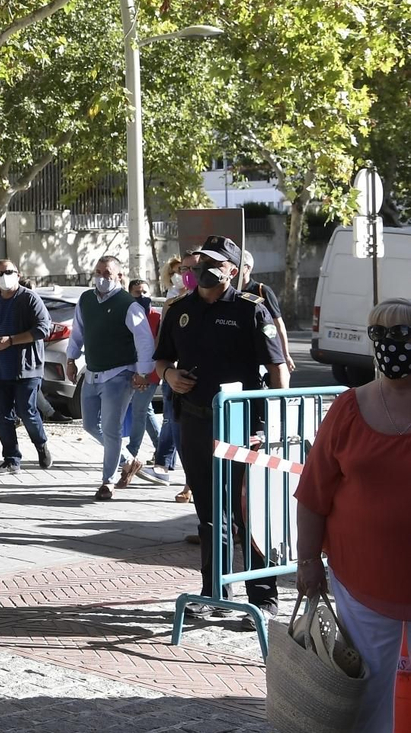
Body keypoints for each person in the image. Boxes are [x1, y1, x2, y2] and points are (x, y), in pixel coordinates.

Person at [153, 236, 289, 624]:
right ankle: (214, 591)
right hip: (196, 421)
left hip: (243, 425)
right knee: (210, 511)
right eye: (201, 262)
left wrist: (276, 421)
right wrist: (169, 375)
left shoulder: (251, 309)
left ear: (232, 270)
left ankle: (263, 597)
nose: (203, 269)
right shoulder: (180, 308)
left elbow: (277, 367)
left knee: (249, 511)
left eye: (214, 263)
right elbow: (161, 358)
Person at [295, 298, 411, 733]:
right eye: (379, 334)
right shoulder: (347, 409)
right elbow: (313, 493)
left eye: (401, 334)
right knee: (367, 690)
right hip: (362, 579)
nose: (389, 344)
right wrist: (308, 561)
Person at [66, 255, 156, 500]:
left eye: (107, 273)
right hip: (92, 372)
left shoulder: (128, 304)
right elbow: (78, 331)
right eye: (98, 272)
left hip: (119, 374)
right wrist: (71, 358)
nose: (101, 277)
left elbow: (144, 340)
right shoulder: (86, 299)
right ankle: (128, 459)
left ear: (119, 276)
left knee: (111, 429)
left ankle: (108, 481)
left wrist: (142, 372)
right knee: (89, 425)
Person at [0, 259, 53, 475]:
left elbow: (43, 329)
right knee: (2, 416)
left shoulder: (29, 299)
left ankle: (41, 444)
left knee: (27, 411)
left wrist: (11, 340)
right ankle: (11, 459)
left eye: (8, 272)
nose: (4, 277)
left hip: (26, 368)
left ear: (18, 275)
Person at [128, 278, 177, 485]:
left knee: (139, 410)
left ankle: (131, 452)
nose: (142, 296)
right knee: (145, 411)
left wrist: (148, 375)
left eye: (145, 292)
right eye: (137, 293)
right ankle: (160, 449)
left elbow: (160, 349)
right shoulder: (129, 316)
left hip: (153, 373)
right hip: (134, 372)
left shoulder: (157, 317)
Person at [238, 250, 296, 372]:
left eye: (237, 264)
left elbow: (278, 324)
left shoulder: (262, 291)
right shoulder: (227, 291)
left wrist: (285, 355)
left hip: (261, 353)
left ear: (247, 268)